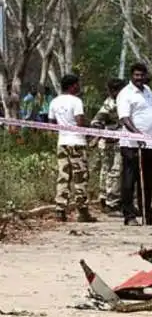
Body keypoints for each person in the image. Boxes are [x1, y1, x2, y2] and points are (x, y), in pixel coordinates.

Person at [117, 62, 152, 226]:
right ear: (131, 76)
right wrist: (137, 133)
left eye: (142, 75)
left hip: (149, 144)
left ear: (146, 76)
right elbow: (124, 118)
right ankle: (129, 215)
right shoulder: (126, 94)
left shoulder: (148, 91)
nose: (139, 78)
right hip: (131, 144)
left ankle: (147, 214)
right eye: (136, 75)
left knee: (147, 180)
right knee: (130, 180)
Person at [49, 74, 96, 223]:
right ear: (71, 86)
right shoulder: (76, 101)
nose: (79, 87)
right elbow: (80, 122)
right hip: (77, 142)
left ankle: (60, 210)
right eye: (77, 84)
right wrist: (90, 132)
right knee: (80, 176)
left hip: (62, 142)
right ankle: (82, 210)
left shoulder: (54, 102)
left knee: (63, 175)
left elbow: (50, 123)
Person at [91, 78, 126, 215]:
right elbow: (96, 121)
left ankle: (105, 199)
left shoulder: (119, 102)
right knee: (114, 171)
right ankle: (111, 203)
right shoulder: (110, 104)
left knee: (107, 171)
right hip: (110, 143)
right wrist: (103, 133)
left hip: (116, 141)